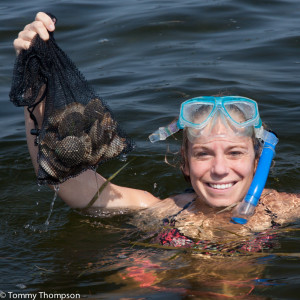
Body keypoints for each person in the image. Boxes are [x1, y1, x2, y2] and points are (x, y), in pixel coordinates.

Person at [14, 12, 300, 246]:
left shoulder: (282, 210)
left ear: (258, 159)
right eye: (203, 154)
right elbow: (71, 183)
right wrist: (34, 80)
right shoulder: (166, 210)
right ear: (185, 162)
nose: (220, 168)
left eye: (235, 152)